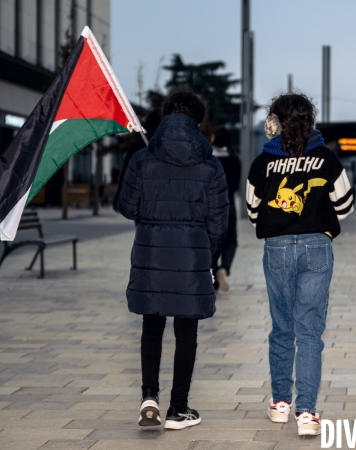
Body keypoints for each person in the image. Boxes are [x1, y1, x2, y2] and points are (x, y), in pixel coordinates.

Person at [117, 89, 229, 430]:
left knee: (152, 326)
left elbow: (126, 207)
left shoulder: (141, 158)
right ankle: (178, 410)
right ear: (197, 122)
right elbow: (219, 221)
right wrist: (206, 256)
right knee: (186, 331)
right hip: (192, 255)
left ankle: (149, 396)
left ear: (166, 117)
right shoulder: (210, 164)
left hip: (150, 251)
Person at [246, 93, 354, 436]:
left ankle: (280, 404)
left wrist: (279, 225)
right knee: (309, 331)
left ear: (274, 121)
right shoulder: (325, 157)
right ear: (311, 120)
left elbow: (252, 209)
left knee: (282, 326)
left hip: (276, 247)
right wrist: (317, 217)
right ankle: (307, 413)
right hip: (317, 247)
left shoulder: (264, 160)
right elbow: (347, 204)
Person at [210, 126, 241, 293]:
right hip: (229, 203)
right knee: (231, 241)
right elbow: (235, 185)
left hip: (210, 205)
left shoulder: (208, 158)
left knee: (213, 241)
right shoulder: (234, 159)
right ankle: (225, 268)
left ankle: (213, 279)